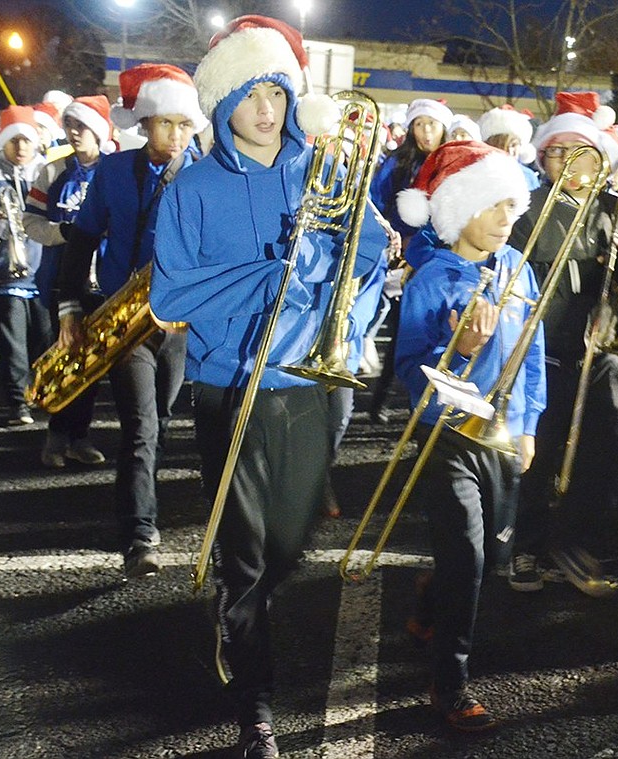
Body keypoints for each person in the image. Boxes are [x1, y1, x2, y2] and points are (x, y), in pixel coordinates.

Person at [150, 15, 382, 758]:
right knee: (247, 556)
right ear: (223, 104)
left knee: (290, 543)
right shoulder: (192, 187)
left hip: (306, 385)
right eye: (248, 94)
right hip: (229, 387)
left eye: (275, 91)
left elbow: (369, 256)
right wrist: (270, 278)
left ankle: (241, 602)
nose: (264, 108)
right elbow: (172, 295)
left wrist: (345, 310)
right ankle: (256, 707)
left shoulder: (324, 170)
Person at [394, 140, 543, 731]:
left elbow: (532, 356)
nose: (509, 219)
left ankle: (432, 597)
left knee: (491, 559)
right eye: (494, 206)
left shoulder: (520, 269)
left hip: (502, 436)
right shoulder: (433, 278)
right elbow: (409, 368)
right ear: (461, 210)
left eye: (514, 206)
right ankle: (448, 683)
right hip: (447, 436)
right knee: (470, 557)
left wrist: (529, 427)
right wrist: (458, 351)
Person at [56, 63, 207, 579]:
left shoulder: (205, 173)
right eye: (166, 123)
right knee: (141, 427)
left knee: (160, 423)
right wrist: (70, 308)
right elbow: (80, 241)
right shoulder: (113, 171)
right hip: (125, 319)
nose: (177, 136)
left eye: (186, 126)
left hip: (179, 325)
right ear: (143, 122)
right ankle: (139, 532)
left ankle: (142, 501)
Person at [506, 91, 618, 592]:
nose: (569, 161)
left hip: (598, 347)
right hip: (541, 348)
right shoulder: (527, 207)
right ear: (542, 158)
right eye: (558, 151)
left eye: (580, 151)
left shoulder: (614, 207)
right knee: (537, 449)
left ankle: (578, 536)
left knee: (611, 437)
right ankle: (526, 544)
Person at [23, 95, 116, 468]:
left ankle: (79, 436)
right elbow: (30, 222)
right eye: (70, 126)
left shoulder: (116, 171)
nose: (75, 133)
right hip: (61, 281)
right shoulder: (52, 171)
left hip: (105, 282)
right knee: (62, 358)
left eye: (82, 126)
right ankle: (55, 436)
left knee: (91, 364)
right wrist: (65, 232)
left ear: (99, 130)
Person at [367, 98, 453, 423]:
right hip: (404, 259)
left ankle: (429, 404)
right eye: (419, 124)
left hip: (441, 258)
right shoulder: (398, 162)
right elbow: (376, 203)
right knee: (407, 330)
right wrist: (393, 237)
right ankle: (381, 401)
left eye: (431, 124)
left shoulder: (453, 161)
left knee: (441, 334)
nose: (425, 131)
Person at [0, 106, 50, 426]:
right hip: (3, 274)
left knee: (45, 340)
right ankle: (18, 403)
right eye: (14, 140)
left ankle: (46, 394)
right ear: (3, 142)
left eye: (26, 140)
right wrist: (0, 228)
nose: (21, 147)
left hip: (43, 271)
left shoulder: (47, 172)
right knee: (12, 345)